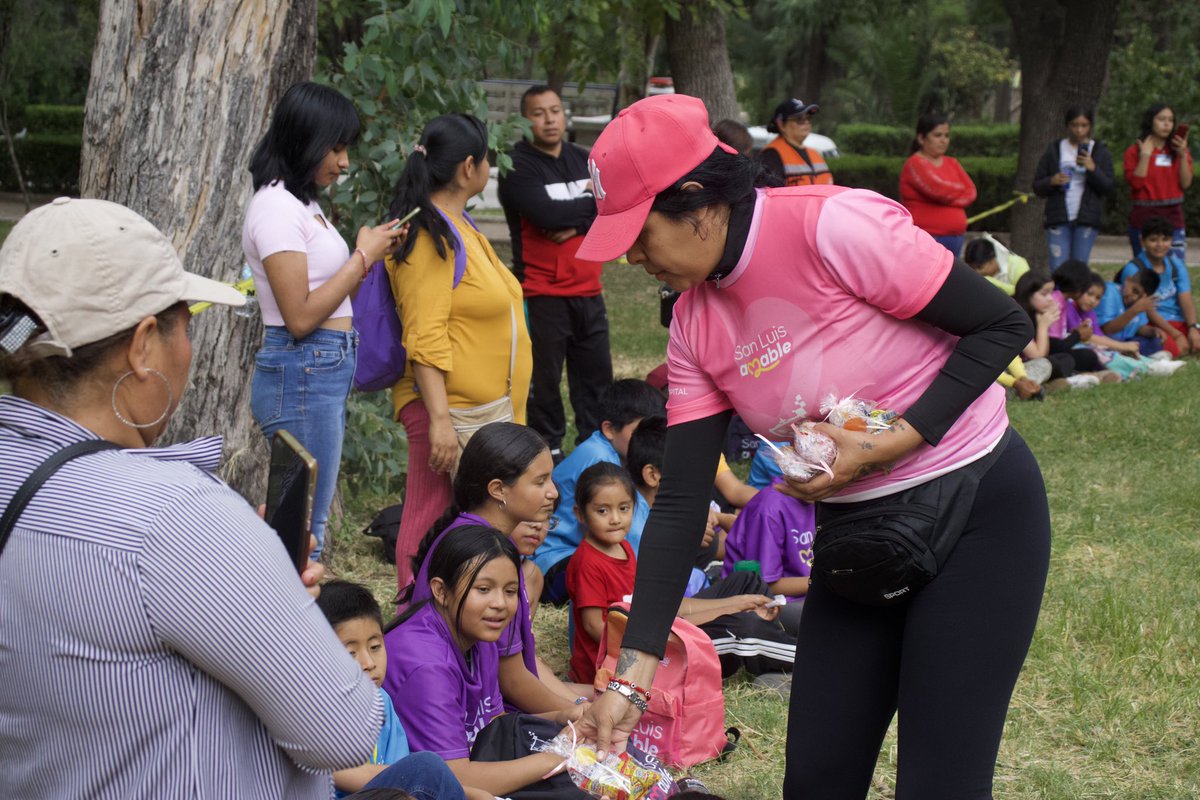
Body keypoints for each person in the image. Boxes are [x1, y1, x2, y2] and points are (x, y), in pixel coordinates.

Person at [572, 94, 1051, 799]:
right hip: (858, 542)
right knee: (818, 781)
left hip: (975, 512)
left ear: (697, 202)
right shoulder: (694, 325)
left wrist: (891, 442)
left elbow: (1000, 326)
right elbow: (678, 502)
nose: (633, 258)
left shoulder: (831, 224)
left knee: (940, 783)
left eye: (639, 235)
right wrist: (632, 677)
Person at [0, 198, 381, 797]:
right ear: (143, 345)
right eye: (188, 324)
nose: (190, 351)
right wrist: (281, 596)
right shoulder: (175, 519)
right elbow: (346, 731)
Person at [244, 81, 405, 556]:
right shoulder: (274, 207)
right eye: (335, 148)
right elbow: (299, 317)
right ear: (305, 140)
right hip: (302, 368)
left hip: (317, 369)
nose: (344, 162)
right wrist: (361, 255)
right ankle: (283, 626)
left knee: (303, 523)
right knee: (302, 529)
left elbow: (333, 299)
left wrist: (367, 254)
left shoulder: (302, 204)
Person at [386, 113, 533, 586]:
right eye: (487, 157)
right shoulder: (430, 234)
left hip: (479, 411)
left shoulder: (457, 225)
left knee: (469, 524)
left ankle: (455, 624)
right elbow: (424, 335)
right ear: (469, 166)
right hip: (450, 411)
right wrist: (441, 421)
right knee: (430, 516)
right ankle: (415, 619)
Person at [396, 422, 586, 715]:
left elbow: (522, 662)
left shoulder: (471, 534)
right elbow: (512, 680)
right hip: (467, 719)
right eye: (540, 481)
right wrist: (577, 715)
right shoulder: (487, 557)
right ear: (498, 489)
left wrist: (580, 705)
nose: (553, 493)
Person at [382, 524, 579, 797]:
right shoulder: (427, 666)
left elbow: (492, 724)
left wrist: (562, 717)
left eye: (510, 591)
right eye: (483, 589)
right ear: (440, 591)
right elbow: (454, 778)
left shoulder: (479, 633)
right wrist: (555, 756)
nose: (499, 603)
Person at [566, 462, 782, 685]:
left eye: (623, 508)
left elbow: (657, 606)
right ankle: (794, 656)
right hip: (629, 660)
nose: (615, 519)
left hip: (650, 630)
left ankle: (771, 632)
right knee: (742, 628)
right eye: (602, 510)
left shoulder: (624, 548)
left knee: (745, 582)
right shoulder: (587, 562)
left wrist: (736, 602)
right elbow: (595, 627)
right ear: (580, 514)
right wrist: (653, 646)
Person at [498, 86, 612, 462]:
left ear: (565, 115)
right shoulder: (517, 165)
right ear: (525, 120)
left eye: (555, 110)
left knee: (595, 381)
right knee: (544, 384)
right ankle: (549, 454)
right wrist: (587, 213)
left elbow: (612, 206)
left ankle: (596, 452)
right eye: (538, 113)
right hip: (541, 293)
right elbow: (546, 215)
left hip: (589, 291)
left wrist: (578, 225)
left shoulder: (585, 159)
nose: (549, 119)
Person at [317, 581, 479, 800]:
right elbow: (343, 773)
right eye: (350, 653)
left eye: (375, 647)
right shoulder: (313, 709)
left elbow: (397, 773)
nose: (368, 663)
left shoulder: (381, 700)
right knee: (426, 768)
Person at [533, 379, 665, 603]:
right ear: (609, 429)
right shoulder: (597, 457)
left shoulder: (618, 455)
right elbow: (632, 534)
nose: (646, 439)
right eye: (639, 430)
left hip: (587, 551)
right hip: (554, 561)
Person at [1031, 107, 1114, 269]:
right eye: (1075, 125)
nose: (1079, 130)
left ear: (1090, 126)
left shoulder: (1100, 151)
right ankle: (1059, 295)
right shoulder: (1054, 150)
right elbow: (1037, 186)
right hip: (1058, 217)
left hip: (1086, 218)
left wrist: (1092, 168)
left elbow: (1108, 187)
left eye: (1084, 125)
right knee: (1058, 267)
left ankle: (1076, 295)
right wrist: (1052, 181)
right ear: (1067, 126)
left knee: (1079, 268)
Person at [1115, 216, 1199, 356]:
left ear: (1171, 241)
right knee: (1175, 350)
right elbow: (1146, 308)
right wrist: (1176, 335)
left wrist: (1192, 328)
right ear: (1142, 241)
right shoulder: (1134, 269)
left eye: (1165, 239)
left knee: (1194, 343)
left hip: (1177, 321)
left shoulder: (1175, 265)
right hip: (1151, 324)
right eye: (1153, 240)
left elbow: (1186, 299)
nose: (1160, 245)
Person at [900, 112, 977, 257]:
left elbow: (971, 192)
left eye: (946, 135)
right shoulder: (915, 163)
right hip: (928, 237)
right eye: (937, 135)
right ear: (921, 138)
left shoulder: (952, 162)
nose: (944, 140)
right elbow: (938, 191)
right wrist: (959, 190)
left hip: (956, 238)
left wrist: (951, 195)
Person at [1123, 103, 1192, 260]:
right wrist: (1145, 155)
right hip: (1144, 215)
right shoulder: (1135, 150)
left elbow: (1186, 184)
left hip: (1172, 214)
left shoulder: (1178, 150)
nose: (1167, 124)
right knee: (1146, 271)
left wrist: (1182, 155)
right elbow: (1136, 184)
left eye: (1170, 120)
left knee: (1175, 265)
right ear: (1150, 121)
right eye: (1161, 119)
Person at [759, 98, 833, 187]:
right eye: (799, 119)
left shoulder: (815, 153)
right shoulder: (771, 154)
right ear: (781, 124)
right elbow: (771, 195)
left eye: (808, 118)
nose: (806, 123)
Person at [1096, 267, 1167, 355]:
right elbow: (1107, 330)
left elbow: (1137, 327)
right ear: (1127, 280)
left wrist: (1153, 331)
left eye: (1140, 297)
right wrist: (1134, 310)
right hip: (1104, 341)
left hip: (1125, 342)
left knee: (1155, 342)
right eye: (1135, 291)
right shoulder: (1110, 292)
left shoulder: (1139, 304)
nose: (1134, 298)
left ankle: (1128, 354)